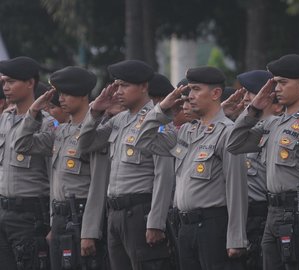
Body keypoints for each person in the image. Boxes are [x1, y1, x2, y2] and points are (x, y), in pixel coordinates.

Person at [134, 66, 249, 270]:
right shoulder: (186, 131)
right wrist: (162, 110)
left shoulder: (227, 132)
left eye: (196, 89)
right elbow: (144, 141)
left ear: (215, 93)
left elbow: (236, 188)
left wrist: (236, 238)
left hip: (213, 227)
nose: (190, 95)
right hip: (185, 227)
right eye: (189, 90)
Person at [227, 54, 299, 270]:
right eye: (275, 83)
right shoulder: (273, 124)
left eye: (283, 83)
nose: (277, 89)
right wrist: (254, 109)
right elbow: (234, 143)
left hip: (298, 212)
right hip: (273, 213)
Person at [77, 60, 174, 270]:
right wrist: (95, 113)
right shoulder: (118, 120)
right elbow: (84, 145)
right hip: (115, 214)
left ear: (144, 87)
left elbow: (163, 175)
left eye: (125, 85)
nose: (118, 91)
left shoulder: (157, 120)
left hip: (139, 213)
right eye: (116, 85)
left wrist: (156, 222)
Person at [12, 66, 109, 269]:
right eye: (59, 93)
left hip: (80, 219)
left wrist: (89, 233)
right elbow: (22, 145)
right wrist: (33, 112)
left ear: (82, 95)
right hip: (59, 220)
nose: (61, 99)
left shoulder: (95, 134)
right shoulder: (60, 131)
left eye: (66, 93)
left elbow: (98, 186)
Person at [0, 56, 55, 269]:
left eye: (11, 82)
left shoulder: (47, 124)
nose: (6, 87)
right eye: (4, 82)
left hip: (31, 214)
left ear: (30, 83)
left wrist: (52, 223)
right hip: (4, 211)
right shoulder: (4, 119)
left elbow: (54, 174)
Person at [235, 69, 281, 270]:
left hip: (264, 215)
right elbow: (232, 143)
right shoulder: (249, 131)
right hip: (245, 217)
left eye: (251, 93)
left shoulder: (275, 129)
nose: (246, 99)